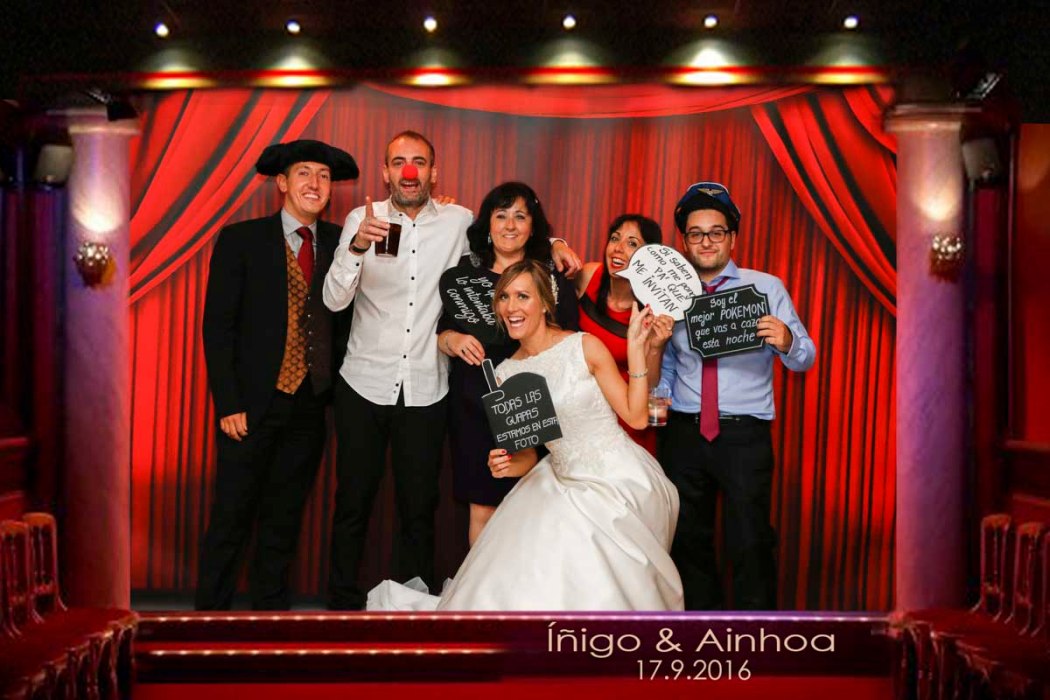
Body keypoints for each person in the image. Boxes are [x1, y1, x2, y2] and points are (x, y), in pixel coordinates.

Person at [322, 131, 582, 610]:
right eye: (399, 161)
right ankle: (340, 605)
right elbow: (334, 300)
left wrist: (557, 243)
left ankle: (413, 601)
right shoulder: (362, 219)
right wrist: (356, 247)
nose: (409, 171)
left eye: (419, 162)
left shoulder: (459, 221)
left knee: (419, 506)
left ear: (433, 172)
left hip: (427, 386)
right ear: (385, 172)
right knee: (353, 501)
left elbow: (509, 233)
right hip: (364, 381)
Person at [367, 259, 683, 611]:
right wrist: (505, 463)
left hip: (616, 478)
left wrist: (637, 350)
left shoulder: (584, 346)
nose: (511, 307)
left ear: (545, 303)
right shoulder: (506, 374)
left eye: (522, 296)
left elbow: (636, 418)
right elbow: (528, 455)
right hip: (560, 477)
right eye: (504, 297)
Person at [196, 139, 358, 610]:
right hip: (249, 407)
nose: (315, 183)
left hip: (310, 405)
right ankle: (209, 619)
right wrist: (229, 403)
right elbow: (218, 327)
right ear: (283, 183)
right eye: (304, 173)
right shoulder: (241, 240)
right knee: (231, 516)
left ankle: (270, 617)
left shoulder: (342, 243)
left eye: (324, 176)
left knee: (284, 520)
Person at [655, 181, 816, 610]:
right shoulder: (670, 293)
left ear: (733, 238)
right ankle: (699, 631)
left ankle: (756, 635)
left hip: (744, 435)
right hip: (684, 433)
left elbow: (805, 357)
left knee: (750, 539)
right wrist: (660, 394)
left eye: (716, 232)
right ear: (684, 241)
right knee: (688, 541)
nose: (706, 241)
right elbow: (668, 365)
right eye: (696, 233)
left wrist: (787, 341)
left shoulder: (766, 288)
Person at [437, 182, 579, 545]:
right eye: (501, 216)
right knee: (483, 507)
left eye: (520, 216)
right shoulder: (466, 274)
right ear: (488, 223)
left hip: (534, 403)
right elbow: (443, 331)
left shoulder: (550, 278)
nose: (510, 225)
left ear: (533, 226)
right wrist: (452, 340)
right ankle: (482, 583)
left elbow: (570, 341)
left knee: (536, 508)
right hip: (475, 405)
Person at [573, 214, 673, 455]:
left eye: (632, 243)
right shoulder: (588, 275)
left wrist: (656, 346)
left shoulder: (654, 309)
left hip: (627, 419)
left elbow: (651, 386)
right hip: (581, 414)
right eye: (615, 238)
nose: (618, 248)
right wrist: (557, 245)